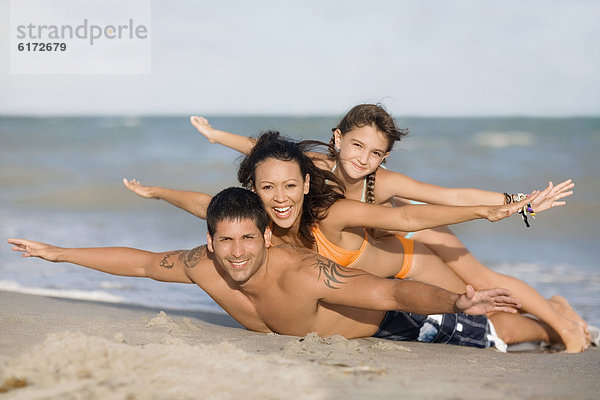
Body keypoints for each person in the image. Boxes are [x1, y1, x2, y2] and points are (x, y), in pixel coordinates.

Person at [123, 132, 585, 351]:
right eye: (269, 188)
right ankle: (550, 316)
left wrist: (498, 207)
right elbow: (206, 201)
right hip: (366, 292)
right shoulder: (263, 214)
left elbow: (409, 213)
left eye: (289, 186)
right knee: (477, 310)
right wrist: (156, 191)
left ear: (305, 184)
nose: (280, 197)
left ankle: (558, 321)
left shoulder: (331, 212)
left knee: (478, 313)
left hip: (406, 263)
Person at [11, 187, 566, 351]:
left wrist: (455, 302)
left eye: (247, 240)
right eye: (225, 241)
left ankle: (556, 318)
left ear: (265, 236)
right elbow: (140, 262)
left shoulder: (304, 272)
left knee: (501, 335)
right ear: (210, 239)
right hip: (351, 324)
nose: (236, 254)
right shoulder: (203, 265)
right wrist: (58, 253)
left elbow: (388, 295)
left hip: (385, 322)